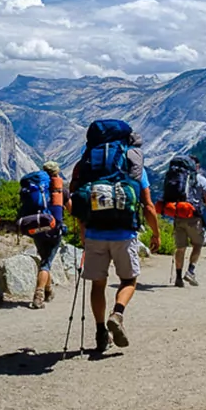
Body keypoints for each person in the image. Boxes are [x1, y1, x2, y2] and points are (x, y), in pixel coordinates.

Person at [71, 122, 160, 353]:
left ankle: (101, 331)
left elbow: (76, 201)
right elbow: (148, 205)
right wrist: (156, 234)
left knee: (98, 284)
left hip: (94, 232)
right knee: (129, 281)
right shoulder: (133, 164)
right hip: (124, 232)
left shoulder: (86, 163)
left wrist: (83, 233)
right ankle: (117, 314)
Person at [29, 160, 68, 310]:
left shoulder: (36, 188)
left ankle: (48, 290)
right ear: (56, 173)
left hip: (37, 229)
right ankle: (38, 296)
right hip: (53, 231)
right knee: (46, 263)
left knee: (45, 259)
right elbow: (72, 210)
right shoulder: (61, 191)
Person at [173, 155, 206, 288]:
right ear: (196, 166)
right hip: (194, 218)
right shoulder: (201, 180)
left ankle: (178, 277)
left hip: (178, 216)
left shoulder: (177, 178)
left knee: (180, 248)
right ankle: (190, 271)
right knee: (197, 244)